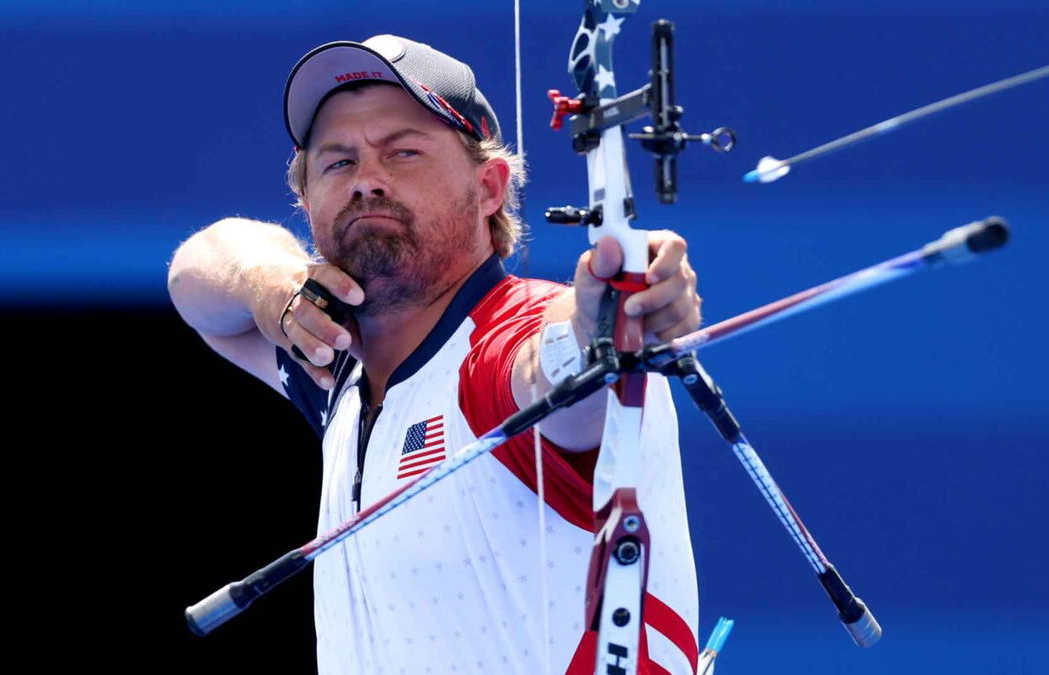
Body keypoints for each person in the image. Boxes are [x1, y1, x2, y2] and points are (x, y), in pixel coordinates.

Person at [168, 34, 702, 674]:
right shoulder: (333, 362)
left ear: (489, 187)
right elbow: (198, 281)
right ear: (305, 200)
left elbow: (556, 368)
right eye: (337, 162)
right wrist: (270, 288)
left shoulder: (504, 341)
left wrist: (607, 316)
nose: (367, 180)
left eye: (404, 153)